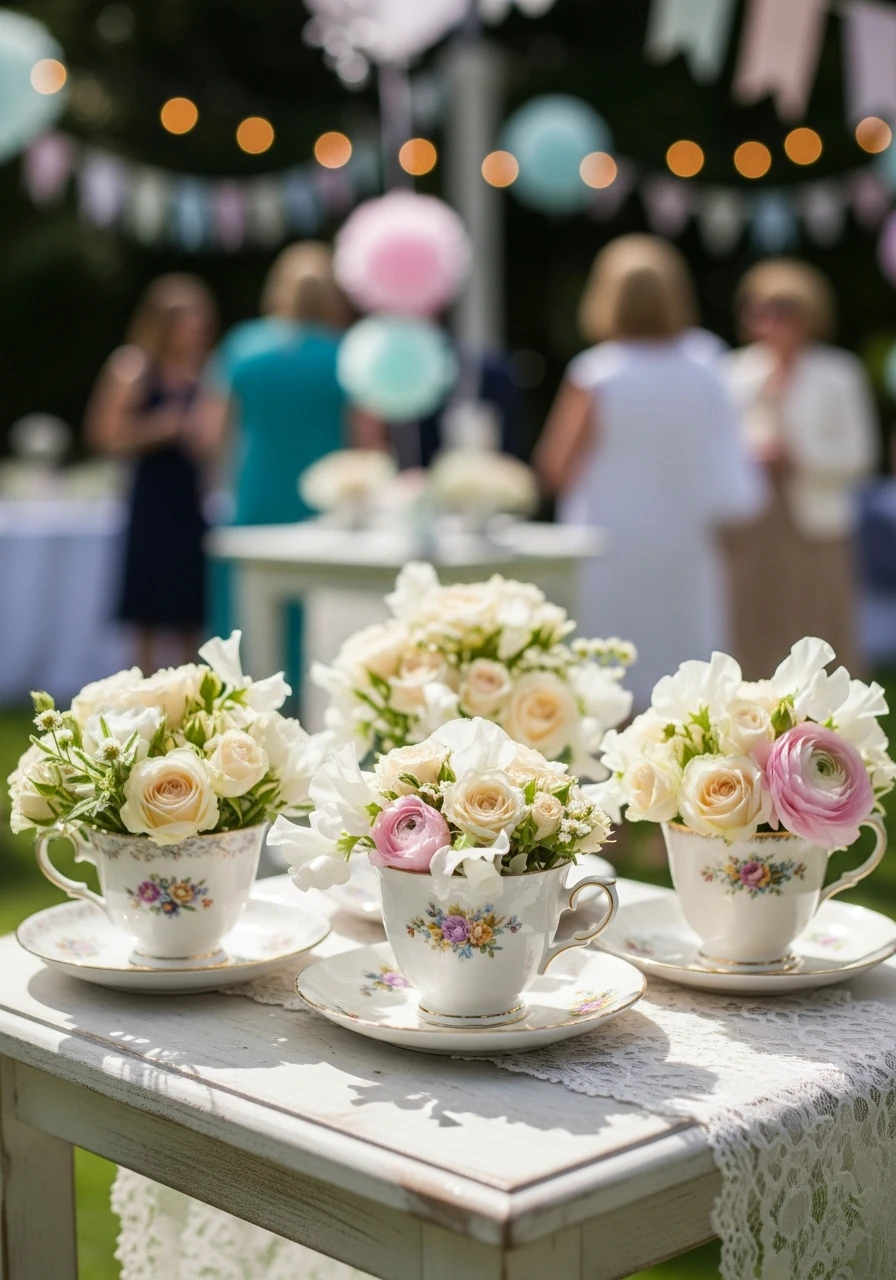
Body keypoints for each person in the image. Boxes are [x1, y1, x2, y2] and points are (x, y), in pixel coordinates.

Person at [535, 234, 764, 708]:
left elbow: (555, 466)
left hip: (611, 541)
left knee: (611, 672)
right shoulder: (706, 362)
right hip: (686, 536)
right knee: (685, 667)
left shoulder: (597, 372)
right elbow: (730, 457)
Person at [724, 260, 877, 677]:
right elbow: (716, 449)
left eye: (786, 308)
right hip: (751, 519)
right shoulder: (733, 372)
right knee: (752, 620)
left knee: (816, 623)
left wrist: (798, 455)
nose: (774, 320)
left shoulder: (839, 374)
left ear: (810, 314)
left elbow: (860, 455)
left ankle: (825, 727)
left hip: (815, 520)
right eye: (763, 307)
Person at [86, 275, 218, 674]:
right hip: (151, 500)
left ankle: (189, 705)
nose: (196, 328)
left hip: (190, 501)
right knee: (145, 613)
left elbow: (212, 444)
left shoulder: (204, 374)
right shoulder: (133, 367)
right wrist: (160, 427)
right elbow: (102, 435)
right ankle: (140, 699)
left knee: (187, 614)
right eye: (187, 319)